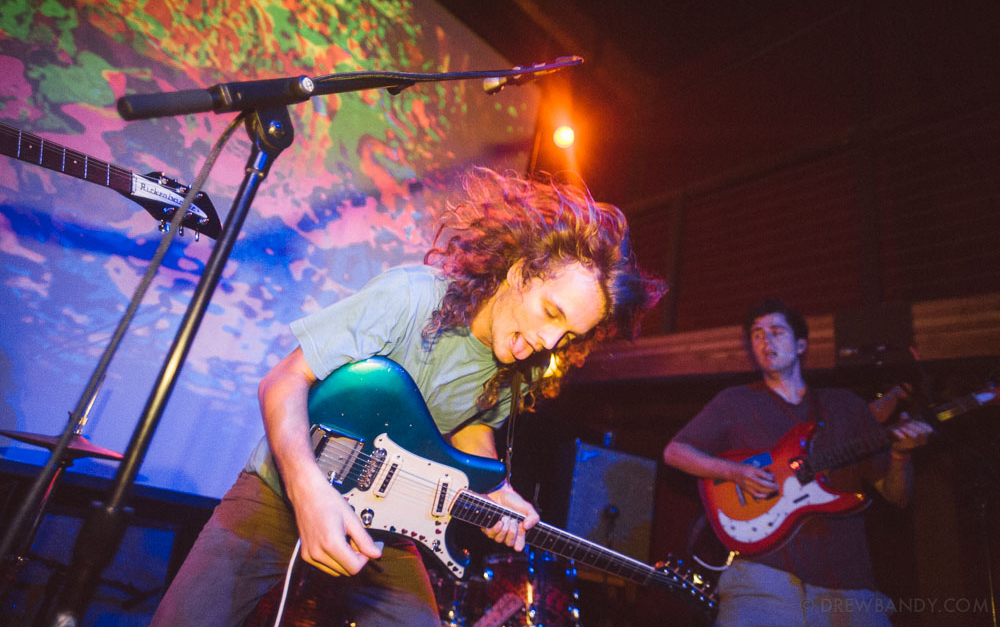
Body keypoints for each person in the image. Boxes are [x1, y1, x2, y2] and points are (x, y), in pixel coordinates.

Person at [151, 167, 666, 627]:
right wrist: (308, 491)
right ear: (518, 274)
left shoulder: (524, 363)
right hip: (282, 489)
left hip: (392, 514)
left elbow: (474, 423)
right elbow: (283, 381)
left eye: (570, 335)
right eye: (553, 314)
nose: (553, 343)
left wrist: (492, 488)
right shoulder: (412, 297)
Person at [662, 298, 933, 627]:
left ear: (801, 344)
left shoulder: (845, 407)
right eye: (757, 335)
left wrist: (900, 455)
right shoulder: (736, 402)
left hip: (848, 586)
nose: (766, 341)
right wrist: (736, 472)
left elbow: (897, 496)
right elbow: (675, 451)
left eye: (776, 331)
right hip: (761, 581)